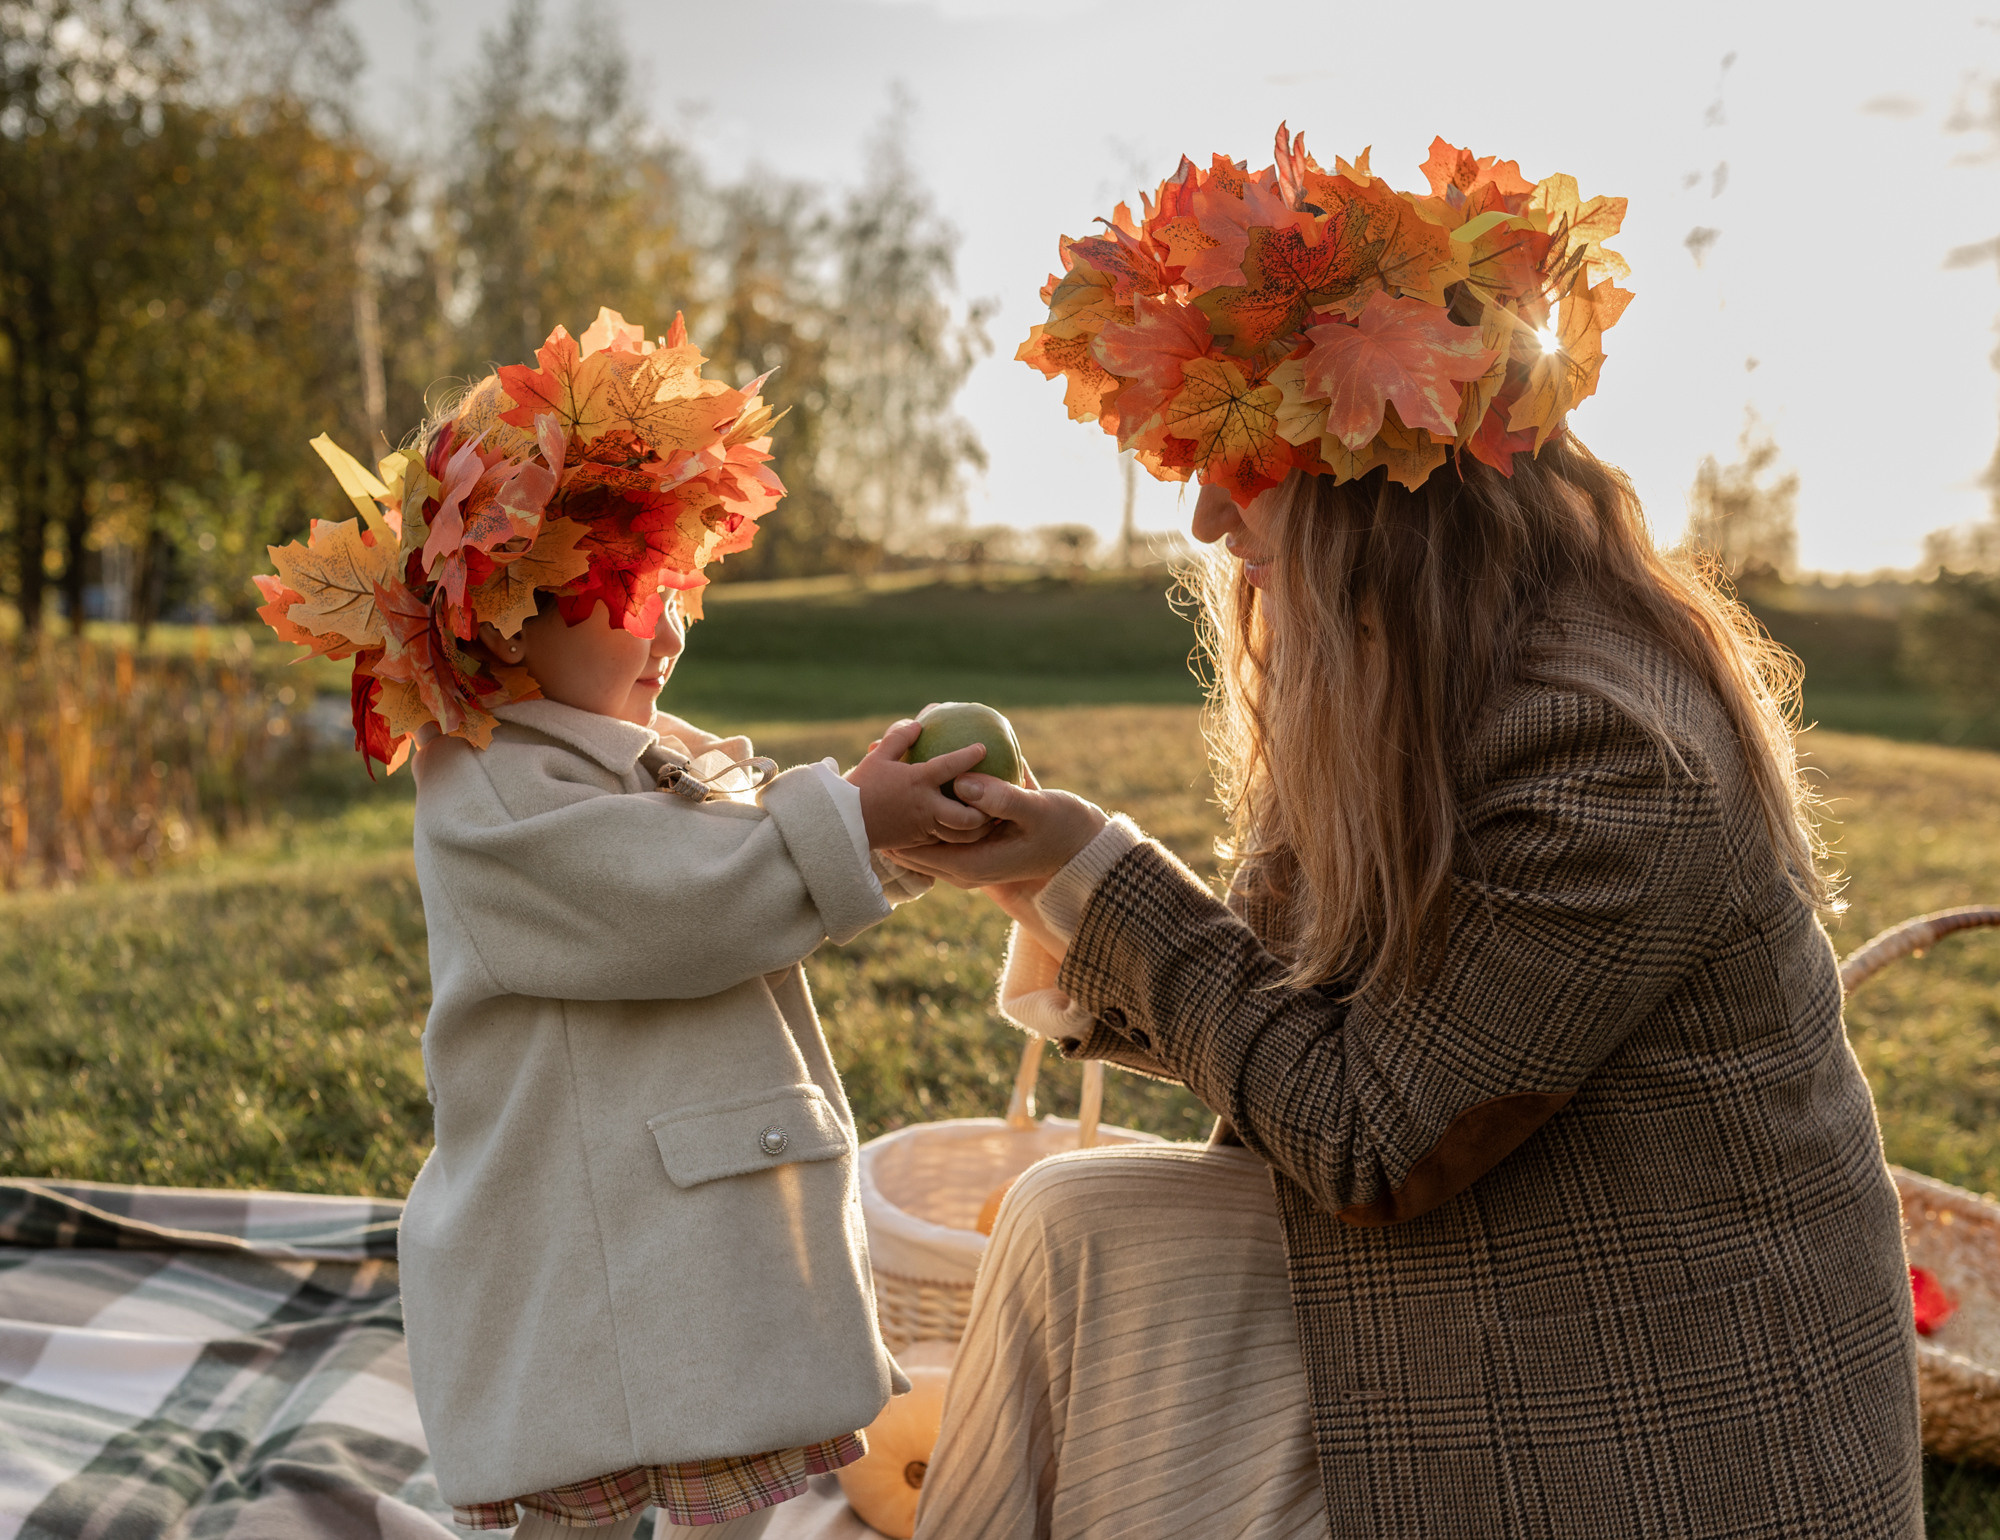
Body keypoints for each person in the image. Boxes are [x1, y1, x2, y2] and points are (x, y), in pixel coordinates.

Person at [892, 132, 1923, 1538]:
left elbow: (1372, 1135)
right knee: (1079, 1229)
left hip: (1642, 1423)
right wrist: (1042, 881)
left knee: (1098, 1283)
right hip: (1510, 1285)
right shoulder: (1416, 679)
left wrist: (1098, 873)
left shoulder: (1607, 751)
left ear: (1387, 481)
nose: (1202, 512)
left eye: (1237, 457)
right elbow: (1291, 1012)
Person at [252, 308, 990, 1539]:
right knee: (582, 1488)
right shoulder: (489, 792)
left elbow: (742, 845)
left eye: (678, 590)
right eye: (633, 594)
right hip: (582, 1241)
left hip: (691, 1214)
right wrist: (848, 827)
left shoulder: (637, 752)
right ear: (504, 611)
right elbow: (678, 900)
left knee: (730, 1456)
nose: (674, 629)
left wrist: (891, 831)